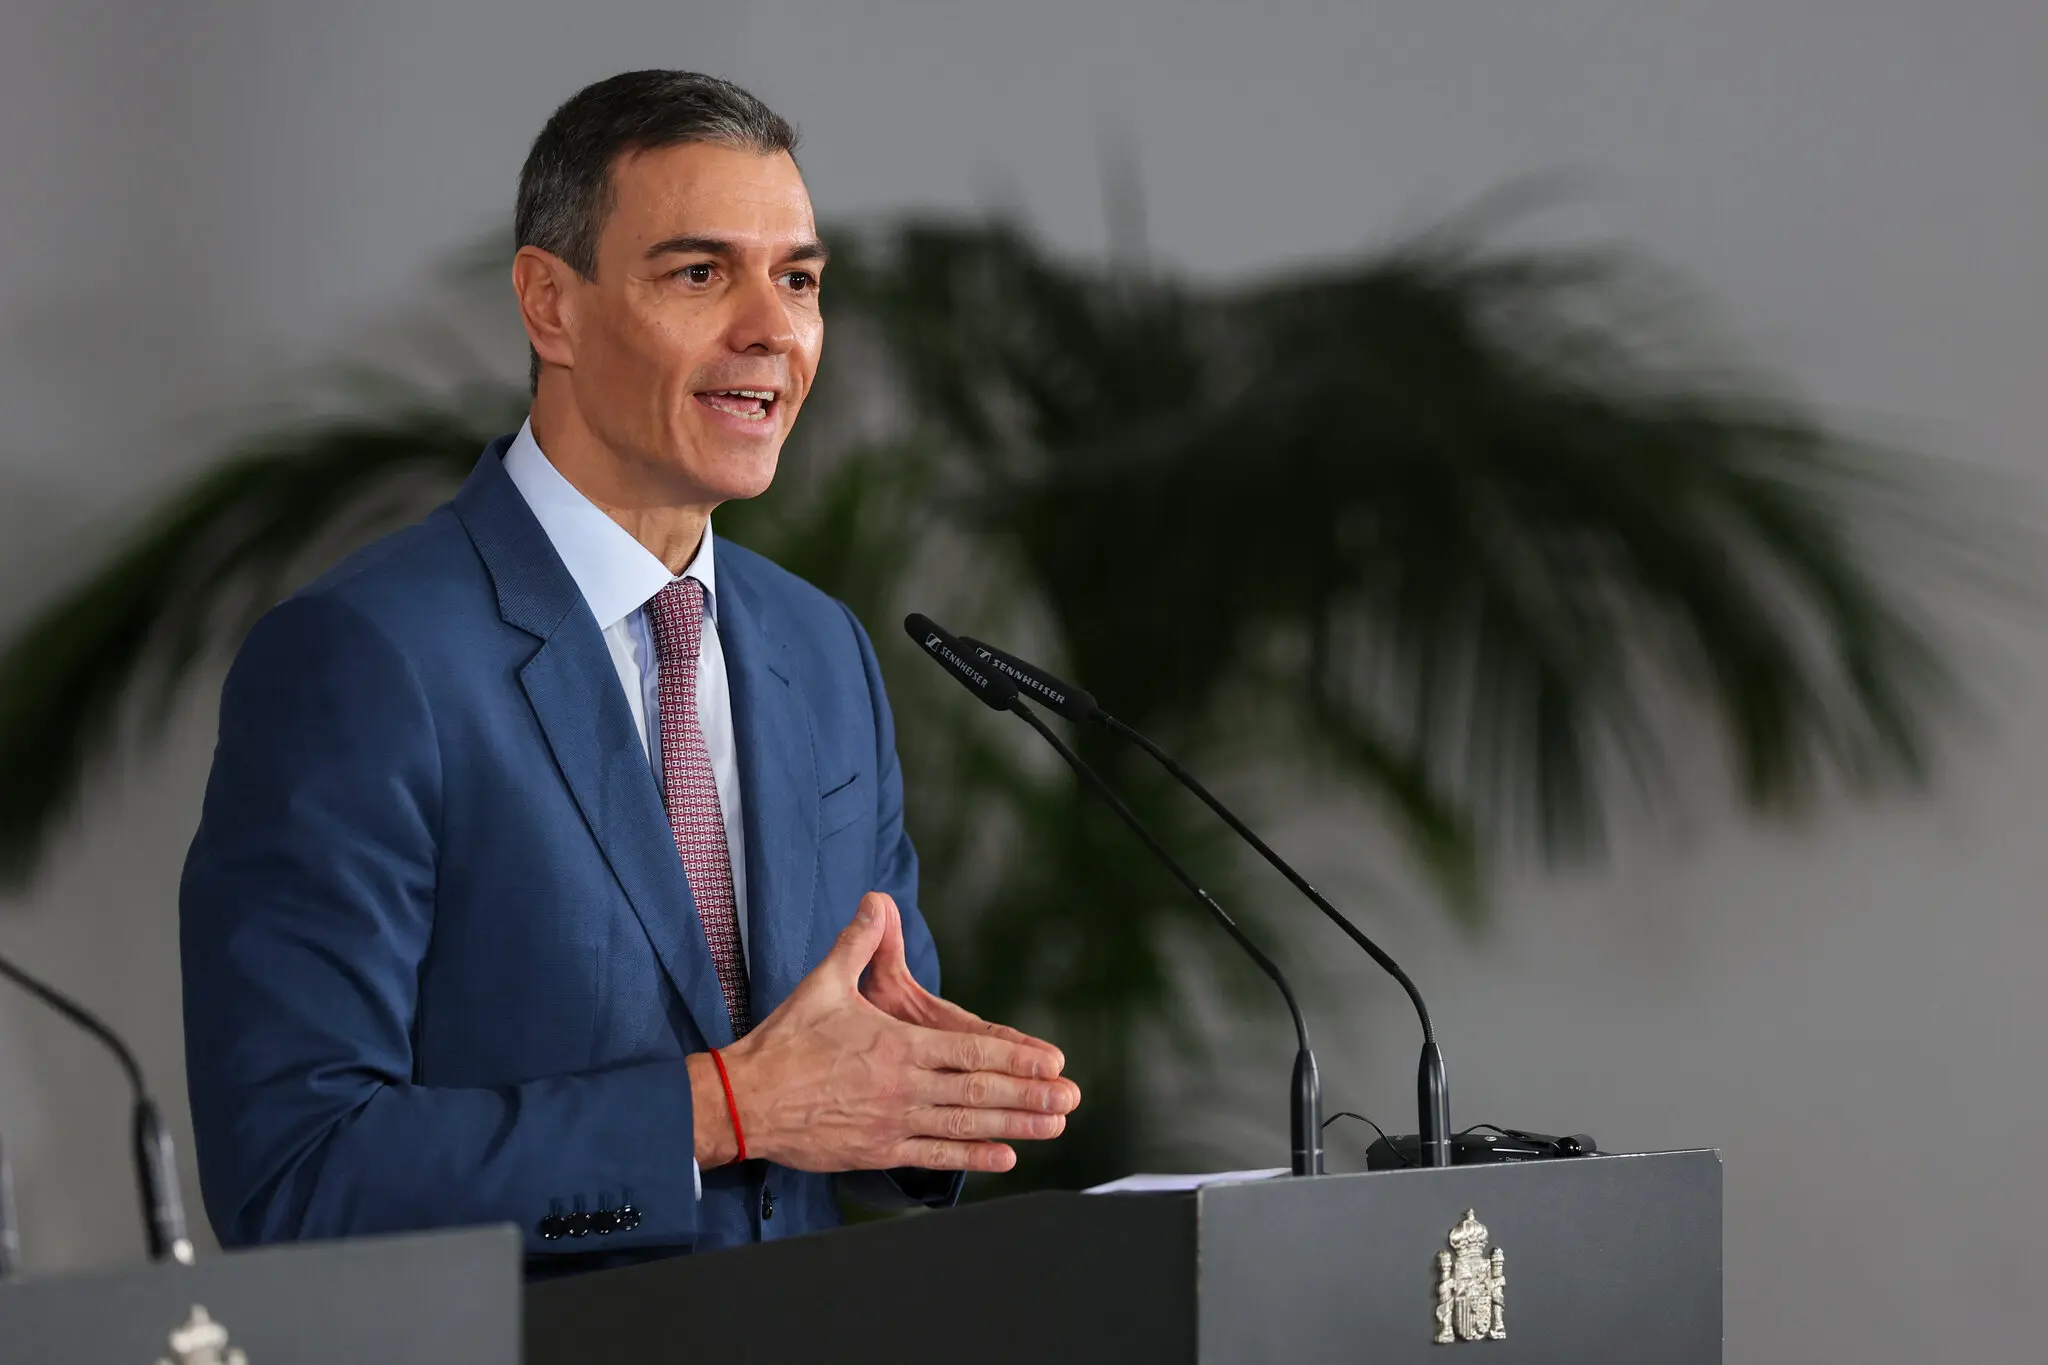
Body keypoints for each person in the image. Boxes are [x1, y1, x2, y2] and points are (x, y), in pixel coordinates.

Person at [180, 69, 1080, 1272]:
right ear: (550, 305)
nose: (770, 330)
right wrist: (718, 1110)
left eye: (798, 280)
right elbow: (293, 1180)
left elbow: (825, 1100)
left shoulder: (820, 649)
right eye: (700, 274)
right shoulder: (366, 659)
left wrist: (923, 1101)